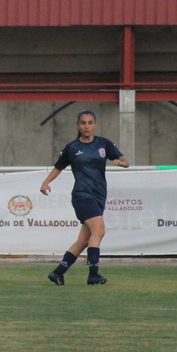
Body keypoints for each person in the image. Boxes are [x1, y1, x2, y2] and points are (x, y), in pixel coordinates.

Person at [40, 110, 129, 286]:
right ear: (78, 125)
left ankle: (58, 273)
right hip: (82, 195)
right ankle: (93, 274)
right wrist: (46, 182)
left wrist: (121, 162)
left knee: (83, 240)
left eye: (89, 123)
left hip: (99, 195)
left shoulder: (104, 144)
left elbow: (125, 160)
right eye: (83, 123)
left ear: (95, 125)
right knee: (99, 231)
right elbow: (58, 167)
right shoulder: (72, 147)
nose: (86, 126)